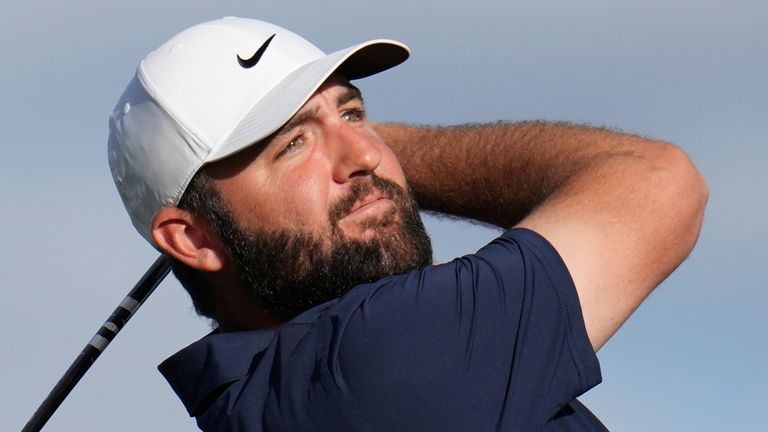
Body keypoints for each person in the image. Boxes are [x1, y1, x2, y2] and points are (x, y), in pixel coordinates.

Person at [108, 17, 707, 432]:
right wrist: (400, 154)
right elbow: (657, 181)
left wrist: (334, 146)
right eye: (291, 144)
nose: (364, 156)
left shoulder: (273, 398)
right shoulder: (376, 360)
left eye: (353, 112)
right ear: (192, 238)